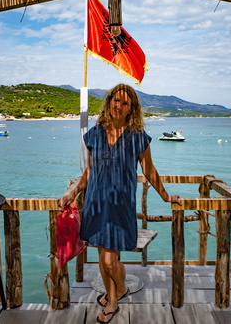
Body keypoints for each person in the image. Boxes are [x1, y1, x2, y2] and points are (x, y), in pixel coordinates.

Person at [58, 83, 181, 323]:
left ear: (131, 108)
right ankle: (116, 296)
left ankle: (117, 294)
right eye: (116, 100)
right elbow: (89, 172)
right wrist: (72, 193)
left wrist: (166, 196)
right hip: (95, 205)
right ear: (109, 102)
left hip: (120, 208)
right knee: (106, 257)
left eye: (125, 103)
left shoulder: (138, 138)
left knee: (107, 260)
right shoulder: (95, 134)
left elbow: (150, 171)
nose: (119, 106)